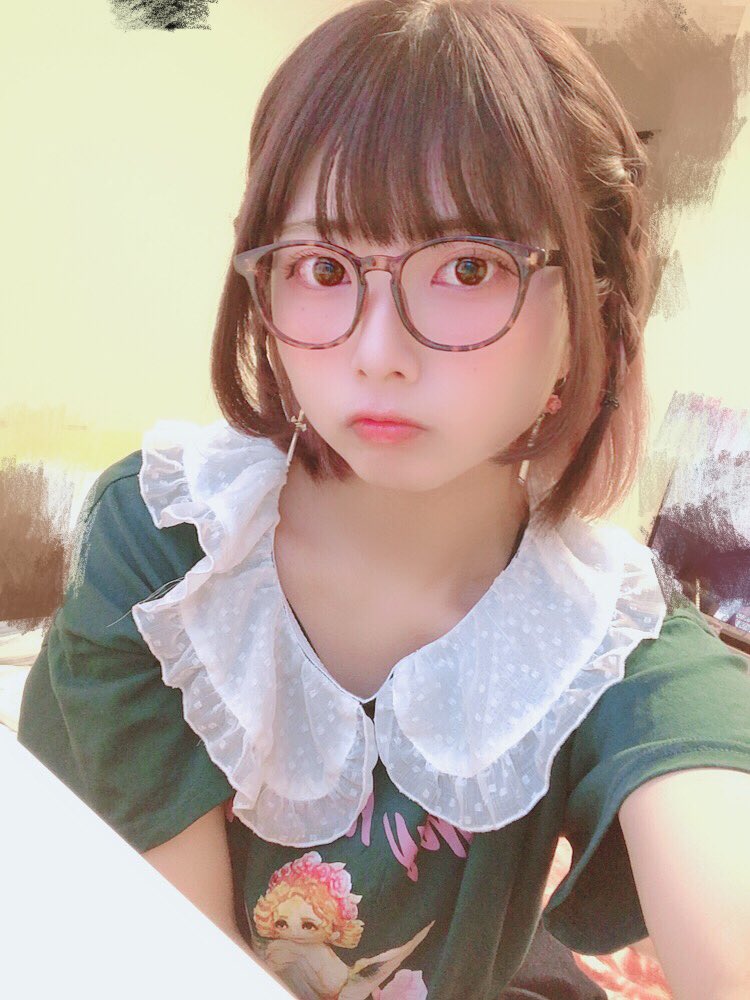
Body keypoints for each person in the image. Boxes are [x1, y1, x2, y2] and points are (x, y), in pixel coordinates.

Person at [17, 2, 750, 998]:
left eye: (468, 267)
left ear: (593, 306)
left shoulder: (606, 639)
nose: (377, 352)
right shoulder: (171, 546)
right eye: (323, 267)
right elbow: (176, 959)